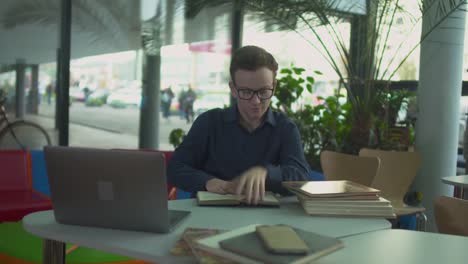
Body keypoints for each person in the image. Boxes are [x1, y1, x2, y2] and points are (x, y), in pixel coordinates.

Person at [168, 45, 310, 205]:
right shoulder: (209, 123)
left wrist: (267, 173)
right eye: (246, 92)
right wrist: (208, 182)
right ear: (233, 89)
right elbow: (175, 168)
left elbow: (301, 176)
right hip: (210, 214)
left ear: (274, 87)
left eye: (263, 92)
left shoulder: (285, 128)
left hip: (267, 216)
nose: (256, 102)